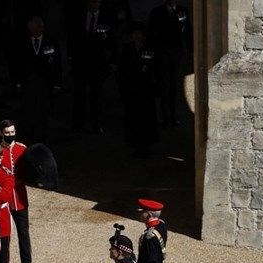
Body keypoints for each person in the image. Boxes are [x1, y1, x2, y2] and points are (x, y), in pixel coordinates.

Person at [0, 121, 38, 263]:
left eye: (12, 131)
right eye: (7, 132)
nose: (10, 134)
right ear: (1, 133)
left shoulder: (22, 149)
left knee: (24, 240)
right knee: (4, 241)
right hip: (4, 202)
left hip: (20, 199)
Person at [69, 0, 116, 134]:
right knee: (79, 94)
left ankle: (96, 123)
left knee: (97, 95)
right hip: (80, 62)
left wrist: (113, 60)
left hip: (98, 63)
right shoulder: (79, 16)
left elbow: (112, 40)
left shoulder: (106, 19)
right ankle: (78, 123)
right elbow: (72, 37)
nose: (92, 3)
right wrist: (71, 57)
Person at [16, 16, 61, 142]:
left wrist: (57, 83)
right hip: (28, 84)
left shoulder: (51, 41)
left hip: (45, 84)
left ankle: (42, 137)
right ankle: (29, 136)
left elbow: (57, 64)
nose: (35, 31)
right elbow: (18, 65)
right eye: (32, 29)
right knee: (28, 111)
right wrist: (18, 82)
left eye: (37, 28)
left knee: (43, 111)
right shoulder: (23, 42)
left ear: (42, 28)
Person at [148, 0, 191, 128]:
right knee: (165, 85)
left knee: (174, 85)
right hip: (163, 51)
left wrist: (190, 49)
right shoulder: (157, 12)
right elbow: (151, 32)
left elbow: (187, 30)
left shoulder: (182, 10)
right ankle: (166, 117)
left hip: (176, 52)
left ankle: (172, 115)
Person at [119, 25, 159, 158]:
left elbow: (153, 66)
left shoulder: (149, 48)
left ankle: (146, 146)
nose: (136, 36)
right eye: (134, 33)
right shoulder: (127, 49)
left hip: (145, 90)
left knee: (146, 117)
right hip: (131, 89)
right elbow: (122, 68)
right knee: (133, 118)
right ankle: (136, 145)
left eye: (139, 34)